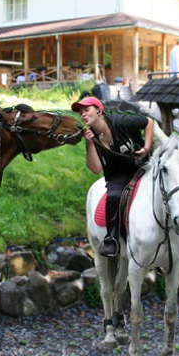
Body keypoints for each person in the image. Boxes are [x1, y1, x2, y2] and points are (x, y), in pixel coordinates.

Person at [73, 96, 154, 257]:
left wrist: (146, 146)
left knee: (170, 183)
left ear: (99, 110)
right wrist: (90, 144)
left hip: (142, 167)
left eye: (86, 110)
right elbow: (96, 169)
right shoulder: (92, 137)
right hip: (117, 174)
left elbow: (149, 122)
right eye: (81, 113)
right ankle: (111, 238)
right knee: (114, 196)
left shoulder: (121, 121)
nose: (83, 115)